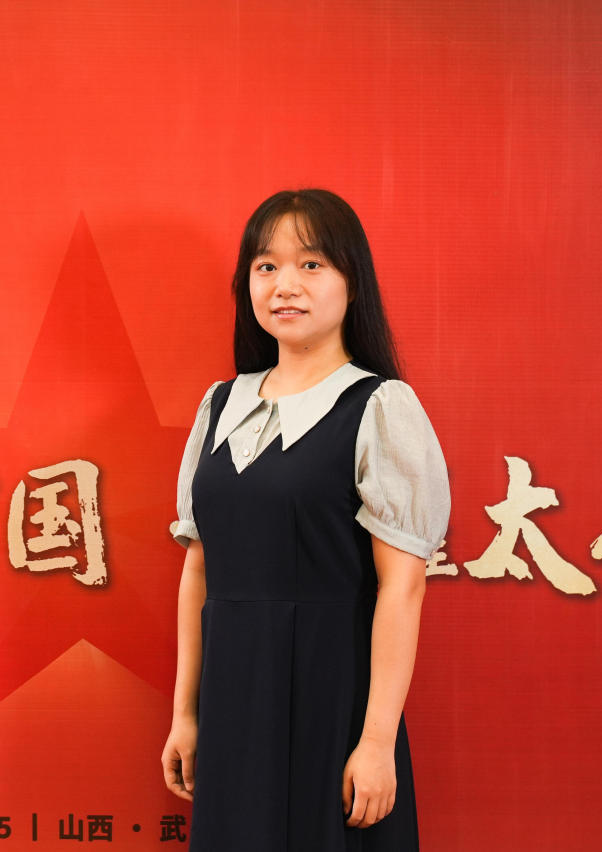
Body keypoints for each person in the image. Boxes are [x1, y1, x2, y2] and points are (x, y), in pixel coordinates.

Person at [160, 189, 450, 850]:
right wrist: (186, 713)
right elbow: (198, 569)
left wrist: (376, 740)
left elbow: (402, 587)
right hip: (232, 699)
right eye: (266, 266)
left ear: (353, 281)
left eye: (311, 264)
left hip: (331, 696)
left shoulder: (379, 406)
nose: (285, 285)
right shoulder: (220, 404)